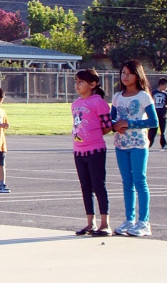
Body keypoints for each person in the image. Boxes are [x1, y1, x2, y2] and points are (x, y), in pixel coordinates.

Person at [111, 60, 158, 237]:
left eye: (129, 73)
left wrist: (130, 123)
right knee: (126, 182)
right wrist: (115, 125)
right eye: (123, 73)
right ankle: (129, 220)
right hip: (120, 144)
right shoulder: (117, 97)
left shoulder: (143, 96)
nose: (125, 76)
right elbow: (111, 120)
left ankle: (144, 222)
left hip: (138, 144)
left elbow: (153, 122)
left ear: (137, 75)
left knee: (139, 180)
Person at [71, 69, 113, 237]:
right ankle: (90, 222)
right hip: (79, 151)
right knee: (85, 187)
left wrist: (93, 135)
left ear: (93, 84)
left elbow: (107, 126)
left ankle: (105, 223)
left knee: (98, 186)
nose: (77, 85)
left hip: (95, 150)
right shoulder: (75, 104)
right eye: (76, 81)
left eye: (81, 81)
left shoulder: (98, 102)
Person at [149, 77, 167, 149]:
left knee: (163, 131)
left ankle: (164, 144)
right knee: (153, 130)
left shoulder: (166, 94)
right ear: (161, 85)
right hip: (155, 114)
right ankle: (149, 143)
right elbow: (149, 104)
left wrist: (166, 114)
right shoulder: (153, 93)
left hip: (163, 115)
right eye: (166, 86)